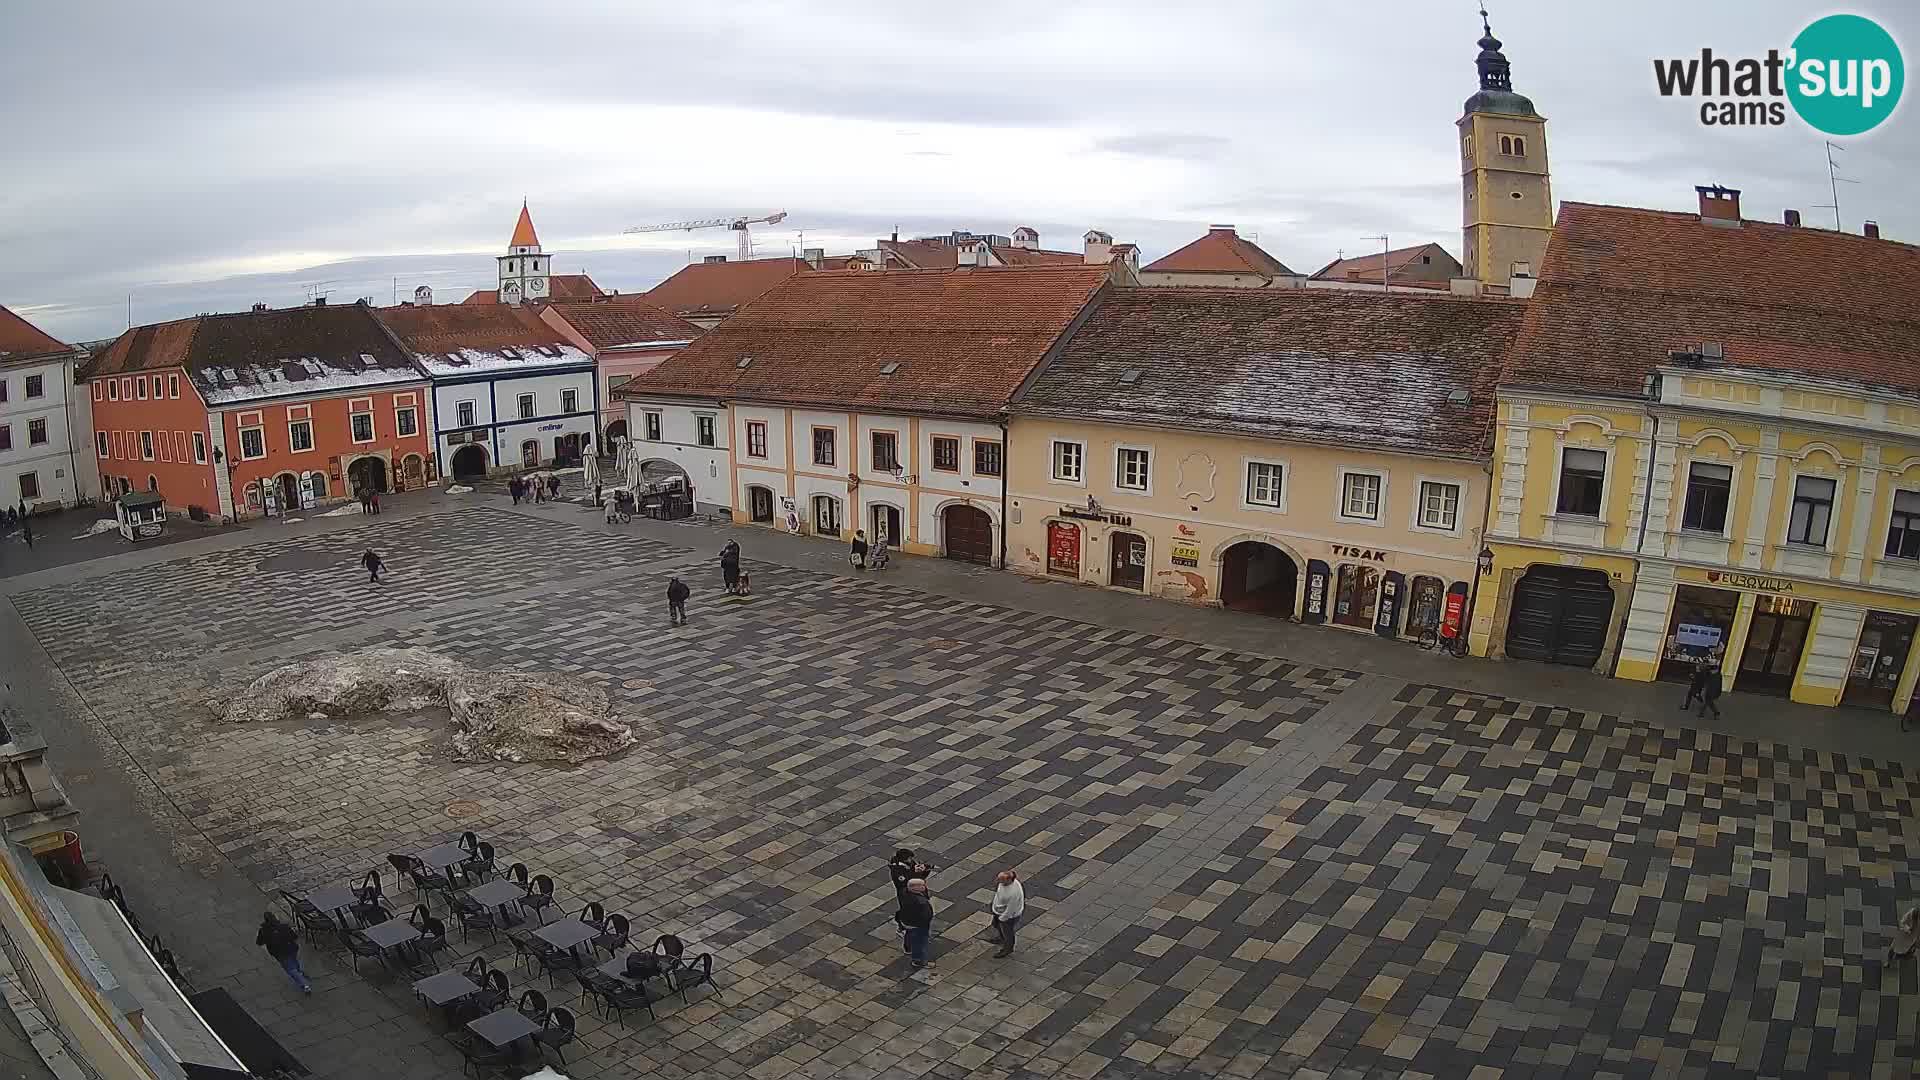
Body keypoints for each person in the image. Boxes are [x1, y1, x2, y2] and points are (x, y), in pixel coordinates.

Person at [256, 912, 310, 993]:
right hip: (291, 948)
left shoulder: (263, 931)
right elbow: (294, 936)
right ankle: (300, 973)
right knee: (294, 960)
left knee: (290, 969)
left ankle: (304, 984)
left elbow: (259, 942)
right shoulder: (284, 926)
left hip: (279, 953)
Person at [899, 879, 934, 969]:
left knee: (909, 934)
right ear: (915, 888)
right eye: (922, 886)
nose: (924, 887)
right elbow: (924, 915)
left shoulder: (905, 892)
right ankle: (918, 961)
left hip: (907, 922)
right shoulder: (919, 901)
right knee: (920, 943)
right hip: (918, 925)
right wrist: (925, 923)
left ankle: (908, 948)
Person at [991, 869, 1025, 958]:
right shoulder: (1003, 883)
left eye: (1000, 880)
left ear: (1009, 880)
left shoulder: (1014, 892)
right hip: (999, 911)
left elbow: (1011, 908)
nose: (997, 881)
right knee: (996, 925)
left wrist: (1003, 918)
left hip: (1008, 916)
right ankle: (1001, 938)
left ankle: (1008, 948)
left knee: (1008, 933)